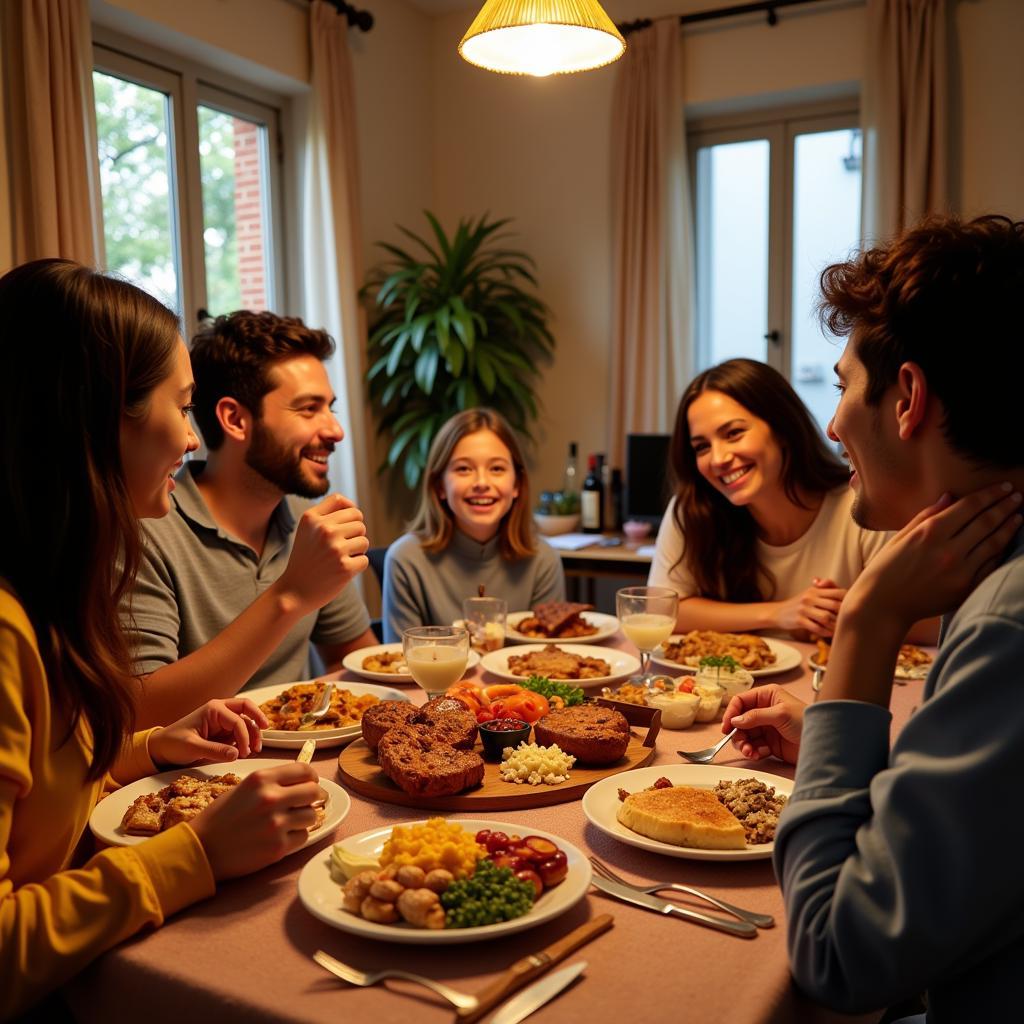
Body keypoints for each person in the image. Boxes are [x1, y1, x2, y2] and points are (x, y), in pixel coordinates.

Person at [0, 259, 324, 1019]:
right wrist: (196, 854)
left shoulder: (53, 593)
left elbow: (38, 797)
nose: (190, 435)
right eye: (181, 406)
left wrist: (147, 750)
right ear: (97, 416)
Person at [720, 214, 1024, 1019]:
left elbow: (836, 954)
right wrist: (840, 735)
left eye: (846, 384)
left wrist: (865, 623)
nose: (833, 421)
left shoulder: (1005, 622)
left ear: (909, 398)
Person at [128, 310, 376, 727]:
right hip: (198, 781)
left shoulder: (306, 523)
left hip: (306, 760)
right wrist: (291, 594)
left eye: (330, 408)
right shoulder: (147, 529)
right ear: (235, 419)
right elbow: (140, 713)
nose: (335, 431)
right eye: (309, 409)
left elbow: (358, 663)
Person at [648, 358, 893, 638]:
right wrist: (779, 612)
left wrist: (853, 613)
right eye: (702, 447)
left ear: (782, 429)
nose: (718, 459)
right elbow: (660, 611)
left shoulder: (861, 503)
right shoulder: (691, 508)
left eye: (734, 433)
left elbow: (924, 624)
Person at [382, 408, 564, 641]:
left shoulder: (543, 561)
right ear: (439, 486)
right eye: (464, 469)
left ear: (517, 484)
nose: (481, 483)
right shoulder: (405, 560)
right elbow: (401, 666)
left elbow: (550, 662)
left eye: (496, 468)